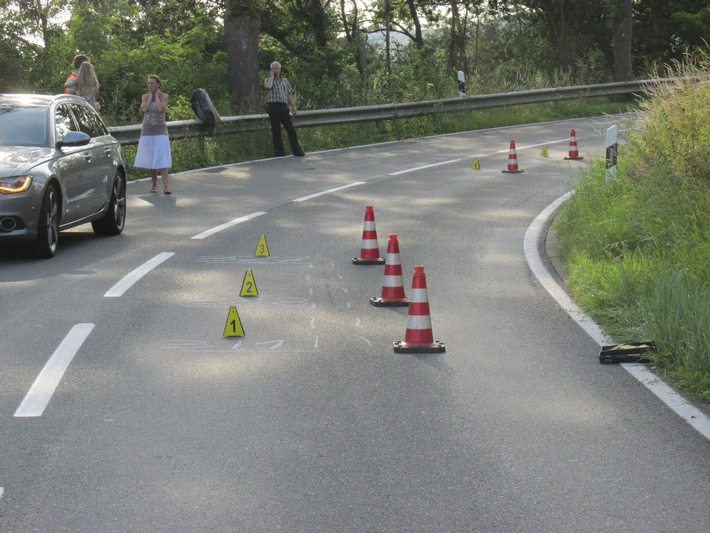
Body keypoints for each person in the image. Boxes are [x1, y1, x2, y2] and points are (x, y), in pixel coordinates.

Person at [135, 75, 172, 194]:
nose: (150, 85)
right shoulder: (145, 96)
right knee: (151, 159)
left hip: (160, 130)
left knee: (162, 158)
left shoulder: (164, 96)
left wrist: (156, 96)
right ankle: (154, 184)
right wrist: (150, 96)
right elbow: (144, 109)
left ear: (158, 84)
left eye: (152, 83)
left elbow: (161, 108)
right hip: (147, 131)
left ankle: (166, 186)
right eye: (148, 83)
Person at [264, 61, 305, 157]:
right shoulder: (268, 80)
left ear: (280, 69)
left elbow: (289, 94)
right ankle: (280, 152)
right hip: (273, 106)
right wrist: (272, 77)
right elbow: (268, 87)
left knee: (291, 129)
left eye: (278, 68)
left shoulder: (285, 80)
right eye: (274, 68)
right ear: (271, 70)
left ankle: (296, 150)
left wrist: (293, 106)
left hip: (283, 106)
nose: (276, 70)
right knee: (276, 130)